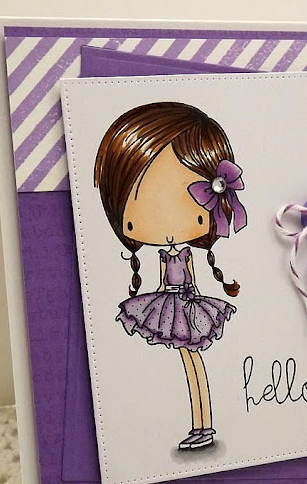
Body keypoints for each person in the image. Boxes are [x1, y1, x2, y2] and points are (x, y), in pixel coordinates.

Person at [94, 101, 247, 450]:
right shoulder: (165, 255)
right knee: (189, 360)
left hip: (187, 307)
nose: (165, 221)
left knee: (193, 361)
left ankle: (204, 426)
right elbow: (166, 282)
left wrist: (183, 298)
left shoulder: (186, 254)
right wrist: (164, 296)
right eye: (145, 207)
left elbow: (187, 280)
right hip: (172, 304)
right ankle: (200, 425)